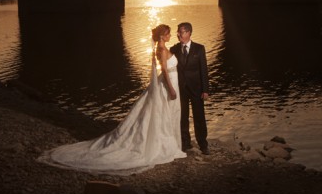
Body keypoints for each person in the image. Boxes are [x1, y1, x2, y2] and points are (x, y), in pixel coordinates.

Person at [37, 24, 186, 175]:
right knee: (164, 112)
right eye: (168, 34)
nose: (170, 36)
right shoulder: (161, 50)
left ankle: (166, 141)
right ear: (162, 36)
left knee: (167, 112)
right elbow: (165, 72)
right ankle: (161, 143)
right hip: (169, 84)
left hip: (171, 82)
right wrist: (171, 88)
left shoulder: (162, 48)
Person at [170, 21, 210, 154]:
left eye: (180, 32)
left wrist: (205, 90)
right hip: (181, 89)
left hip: (197, 89)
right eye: (178, 32)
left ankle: (203, 144)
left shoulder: (199, 48)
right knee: (183, 116)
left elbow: (203, 70)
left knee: (199, 117)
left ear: (188, 33)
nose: (178, 34)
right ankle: (185, 143)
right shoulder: (174, 49)